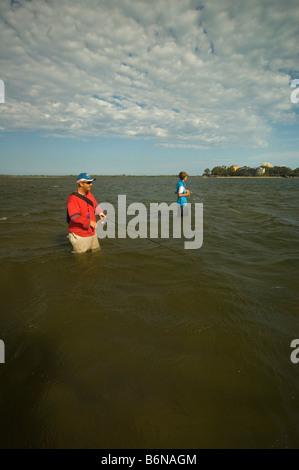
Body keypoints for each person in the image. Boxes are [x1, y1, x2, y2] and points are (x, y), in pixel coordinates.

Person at [67, 173, 105, 253]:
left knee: (97, 253)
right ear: (80, 184)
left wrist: (100, 212)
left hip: (92, 232)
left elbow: (95, 204)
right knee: (82, 260)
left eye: (91, 182)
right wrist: (89, 222)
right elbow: (74, 216)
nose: (91, 184)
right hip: (80, 235)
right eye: (88, 182)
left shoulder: (89, 194)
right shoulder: (72, 198)